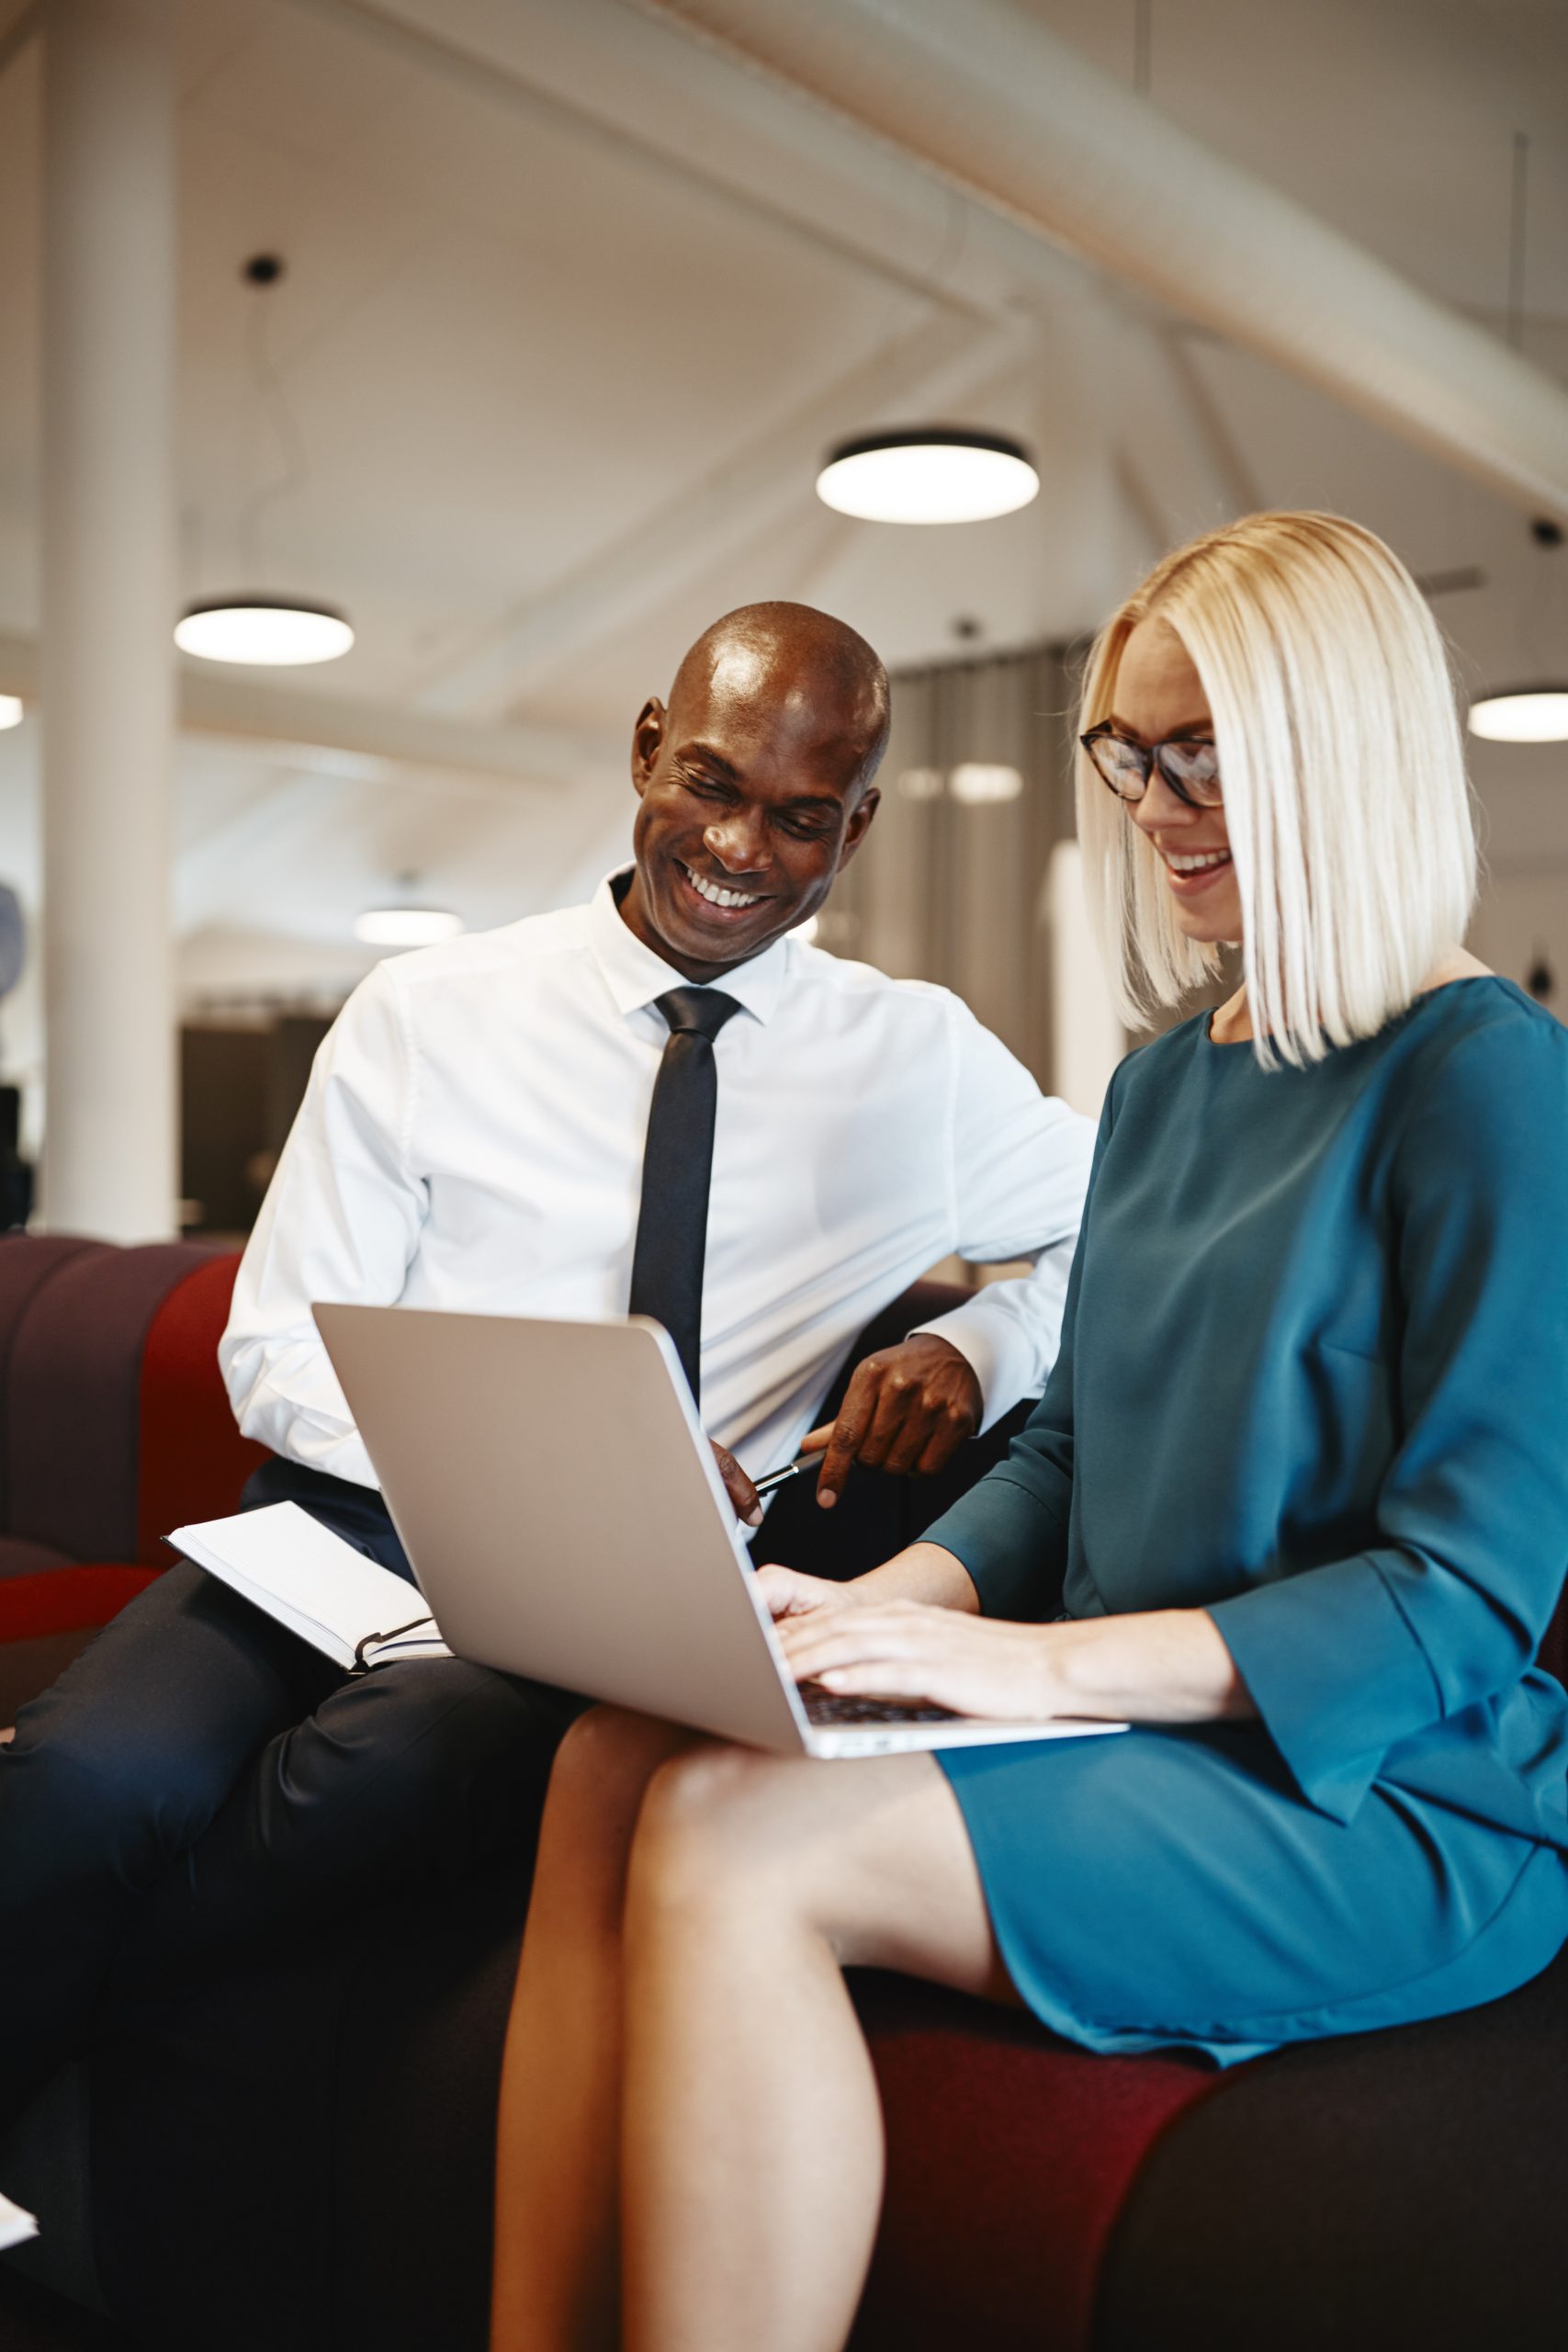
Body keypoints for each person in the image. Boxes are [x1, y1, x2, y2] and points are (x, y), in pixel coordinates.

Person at [489, 514, 1568, 2352]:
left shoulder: (1482, 1078)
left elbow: (1454, 1599)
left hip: (1379, 1787)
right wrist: (876, 1604)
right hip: (1116, 1712)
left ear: (1337, 744)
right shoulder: (1164, 1078)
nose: (1153, 804)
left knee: (737, 1842)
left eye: (1200, 751)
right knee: (612, 1752)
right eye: (1128, 754)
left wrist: (1017, 1656)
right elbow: (1065, 1443)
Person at [0, 600, 1092, 2126]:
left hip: (619, 1599)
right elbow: (272, 1345)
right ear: (648, 749)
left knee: (383, 1773)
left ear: (856, 829)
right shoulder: (430, 1014)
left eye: (797, 817)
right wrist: (522, 1462)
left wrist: (978, 1339)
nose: (740, 849)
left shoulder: (916, 1063)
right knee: (78, 1775)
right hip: (339, 1525)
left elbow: (1124, 1231)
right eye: (710, 784)